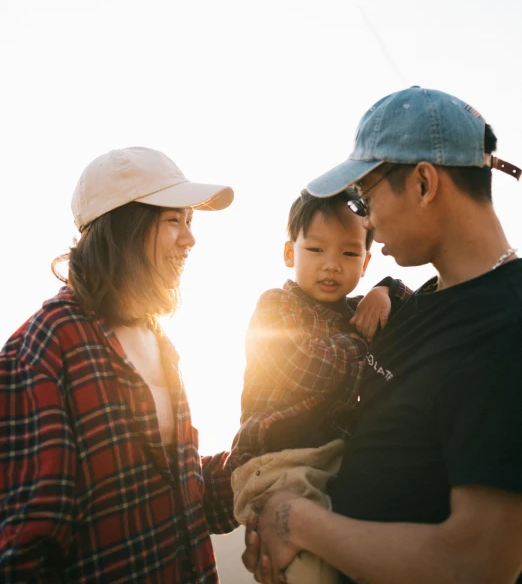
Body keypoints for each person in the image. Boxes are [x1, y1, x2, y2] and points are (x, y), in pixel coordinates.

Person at [242, 86, 522, 584]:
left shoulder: (506, 327)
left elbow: (479, 562)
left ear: (422, 183)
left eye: (366, 196)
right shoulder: (414, 306)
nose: (365, 218)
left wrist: (298, 522)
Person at [0, 146, 238, 583]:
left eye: (191, 221)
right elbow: (25, 553)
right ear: (124, 228)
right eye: (174, 220)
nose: (190, 239)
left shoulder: (159, 340)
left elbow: (177, 498)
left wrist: (255, 470)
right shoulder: (43, 349)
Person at [231, 188, 410, 584]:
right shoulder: (278, 306)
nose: (331, 266)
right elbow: (310, 368)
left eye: (348, 254)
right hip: (280, 463)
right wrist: (366, 343)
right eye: (316, 250)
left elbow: (417, 315)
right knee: (312, 570)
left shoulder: (357, 309)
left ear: (364, 263)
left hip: (332, 461)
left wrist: (387, 291)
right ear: (290, 254)